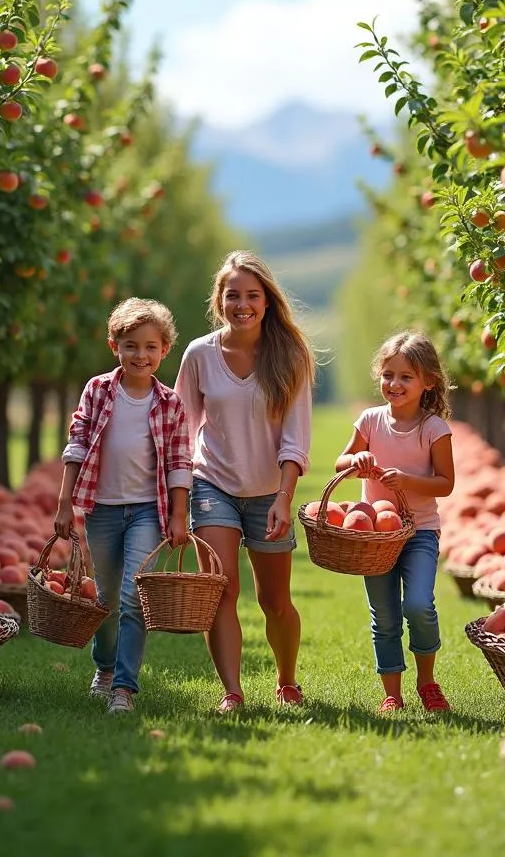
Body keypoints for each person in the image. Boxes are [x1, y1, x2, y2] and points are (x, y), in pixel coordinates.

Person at [174, 250, 314, 714]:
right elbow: (180, 430)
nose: (243, 305)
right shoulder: (199, 355)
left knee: (275, 601)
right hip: (212, 483)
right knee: (222, 589)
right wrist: (175, 497)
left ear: (267, 301)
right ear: (219, 300)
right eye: (233, 295)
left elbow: (296, 437)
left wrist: (284, 496)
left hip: (270, 492)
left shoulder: (289, 356)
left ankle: (287, 681)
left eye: (252, 296)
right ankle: (231, 692)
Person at [55, 297, 192, 714]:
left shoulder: (170, 403)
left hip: (147, 512)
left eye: (151, 347)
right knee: (108, 600)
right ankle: (105, 668)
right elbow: (77, 446)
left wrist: (179, 513)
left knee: (135, 595)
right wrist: (65, 504)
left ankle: (124, 688)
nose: (141, 355)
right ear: (114, 345)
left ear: (164, 350)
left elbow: (179, 462)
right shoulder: (98, 391)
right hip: (103, 509)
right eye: (131, 345)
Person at [335, 330, 455, 714]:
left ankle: (427, 681)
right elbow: (342, 462)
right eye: (388, 375)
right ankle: (392, 692)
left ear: (428, 382)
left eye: (406, 376)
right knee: (384, 615)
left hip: (419, 530)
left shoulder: (433, 428)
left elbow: (446, 483)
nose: (395, 384)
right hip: (375, 537)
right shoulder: (370, 421)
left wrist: (406, 480)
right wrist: (356, 462)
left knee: (418, 605)